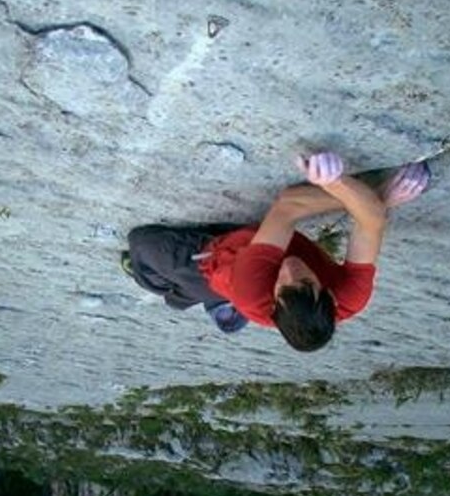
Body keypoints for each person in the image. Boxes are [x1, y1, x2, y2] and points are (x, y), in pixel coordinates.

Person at [123, 151, 430, 352]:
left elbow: (289, 204)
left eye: (282, 286)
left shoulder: (252, 290)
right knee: (196, 297)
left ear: (273, 304)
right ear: (330, 296)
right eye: (306, 282)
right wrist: (365, 198)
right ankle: (215, 306)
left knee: (141, 248)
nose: (291, 269)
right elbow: (372, 223)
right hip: (252, 257)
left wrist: (346, 189)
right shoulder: (350, 296)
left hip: (214, 261)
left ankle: (155, 283)